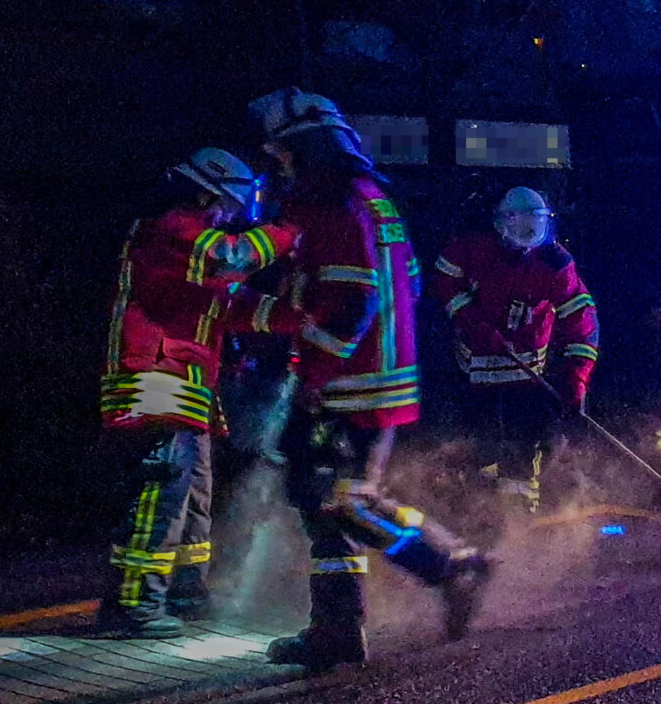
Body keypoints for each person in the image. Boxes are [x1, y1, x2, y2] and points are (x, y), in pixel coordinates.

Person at [246, 89, 493, 672]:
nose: (273, 159)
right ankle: (337, 629)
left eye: (278, 148)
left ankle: (449, 565)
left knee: (335, 500)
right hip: (384, 379)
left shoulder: (327, 202)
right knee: (339, 501)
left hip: (348, 383)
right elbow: (401, 283)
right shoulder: (374, 197)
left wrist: (316, 372)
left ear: (301, 146)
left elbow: (354, 300)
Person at [96, 148, 298, 637]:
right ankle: (131, 605)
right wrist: (292, 230)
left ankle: (184, 592)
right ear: (207, 193)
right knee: (160, 494)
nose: (229, 219)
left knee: (192, 497)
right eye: (227, 207)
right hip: (157, 380)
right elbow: (233, 259)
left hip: (186, 388)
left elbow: (230, 307)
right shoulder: (173, 229)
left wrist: (302, 316)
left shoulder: (190, 250)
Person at [426, 186, 599, 508]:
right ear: (500, 225)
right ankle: (473, 510)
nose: (521, 252)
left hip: (528, 374)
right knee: (479, 448)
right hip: (474, 372)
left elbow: (582, 322)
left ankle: (519, 522)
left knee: (526, 448)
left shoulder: (555, 264)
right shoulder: (469, 248)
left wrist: (577, 378)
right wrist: (471, 322)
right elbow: (443, 284)